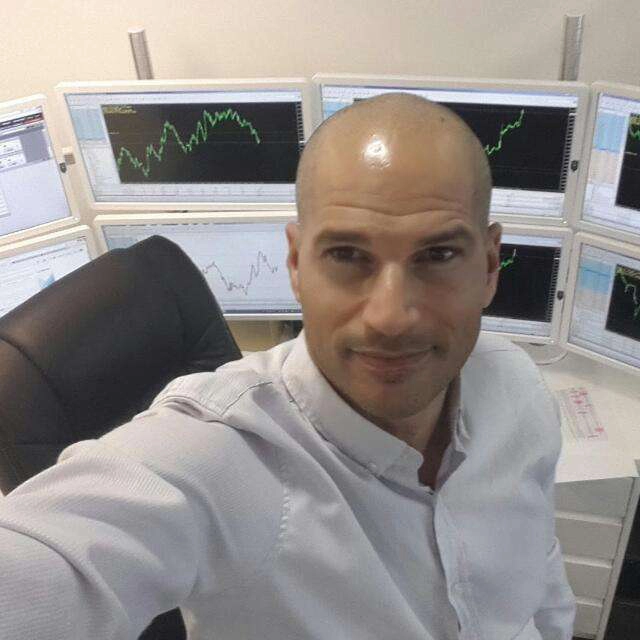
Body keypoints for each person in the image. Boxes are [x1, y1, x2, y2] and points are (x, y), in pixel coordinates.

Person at [0, 93, 575, 640]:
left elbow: (542, 582)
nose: (391, 317)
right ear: (297, 264)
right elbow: (47, 564)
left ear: (491, 265)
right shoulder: (219, 457)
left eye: (439, 255)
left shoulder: (518, 390)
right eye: (347, 255)